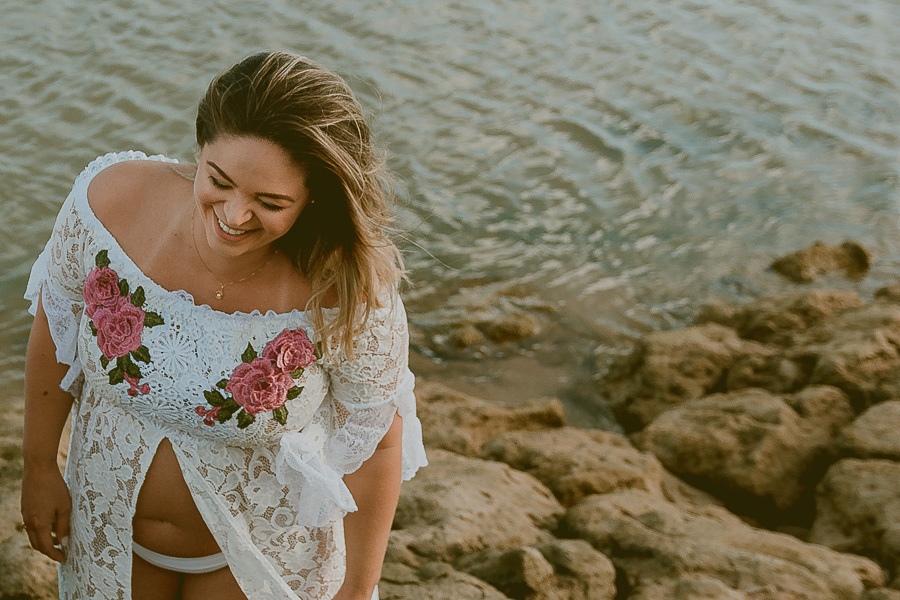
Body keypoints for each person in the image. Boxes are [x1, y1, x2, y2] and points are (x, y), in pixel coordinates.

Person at [20, 50, 427, 600]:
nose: (235, 215)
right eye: (219, 180)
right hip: (105, 528)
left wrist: (358, 589)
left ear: (313, 197)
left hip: (265, 553)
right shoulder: (107, 205)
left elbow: (376, 441)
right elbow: (56, 336)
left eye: (270, 201)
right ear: (200, 147)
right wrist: (40, 465)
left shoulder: (346, 288)